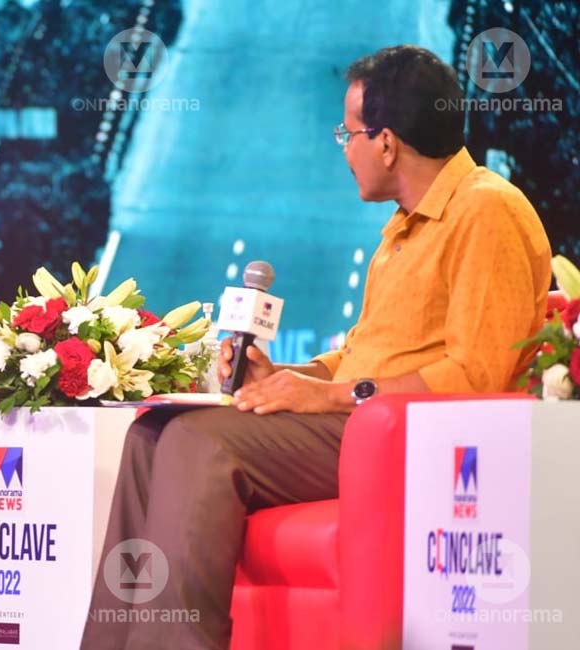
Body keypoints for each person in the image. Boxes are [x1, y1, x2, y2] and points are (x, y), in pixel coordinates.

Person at [80, 46, 552, 650]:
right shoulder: (404, 227)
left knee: (200, 443)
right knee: (152, 434)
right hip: (356, 419)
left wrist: (330, 396)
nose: (344, 150)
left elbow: (473, 376)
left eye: (347, 134)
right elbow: (358, 353)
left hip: (406, 437)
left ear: (386, 143)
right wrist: (282, 375)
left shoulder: (486, 210)